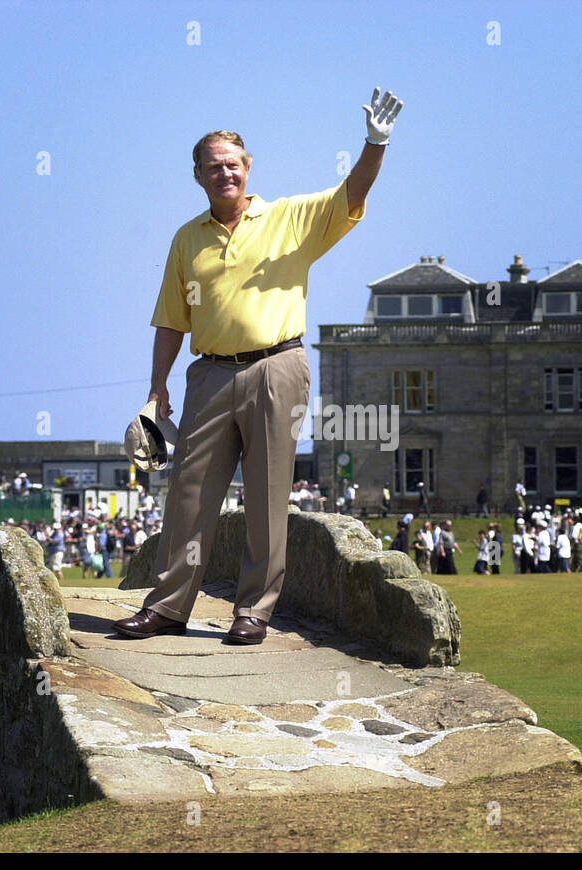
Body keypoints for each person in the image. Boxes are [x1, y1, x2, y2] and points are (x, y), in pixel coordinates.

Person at [113, 88, 403, 645]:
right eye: (213, 167)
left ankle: (253, 611)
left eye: (232, 165)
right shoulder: (186, 239)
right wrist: (157, 389)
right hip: (211, 374)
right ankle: (169, 606)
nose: (224, 174)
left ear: (248, 168)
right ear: (198, 177)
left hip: (278, 367)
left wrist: (374, 143)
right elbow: (171, 319)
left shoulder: (290, 217)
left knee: (269, 496)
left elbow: (352, 193)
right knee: (188, 493)